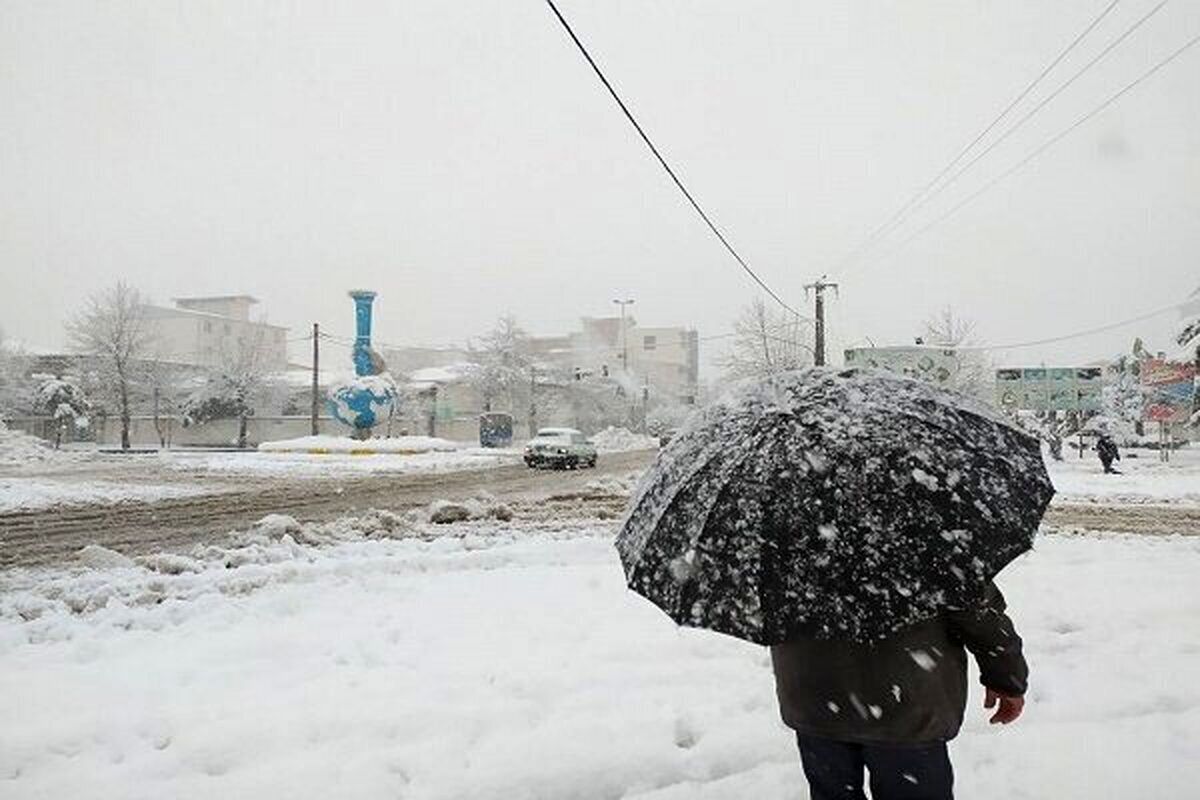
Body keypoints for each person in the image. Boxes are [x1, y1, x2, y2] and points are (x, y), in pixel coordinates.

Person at [770, 581, 1027, 800]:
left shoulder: (781, 532)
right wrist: (1007, 677)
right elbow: (978, 612)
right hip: (905, 707)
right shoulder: (924, 529)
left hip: (815, 698)